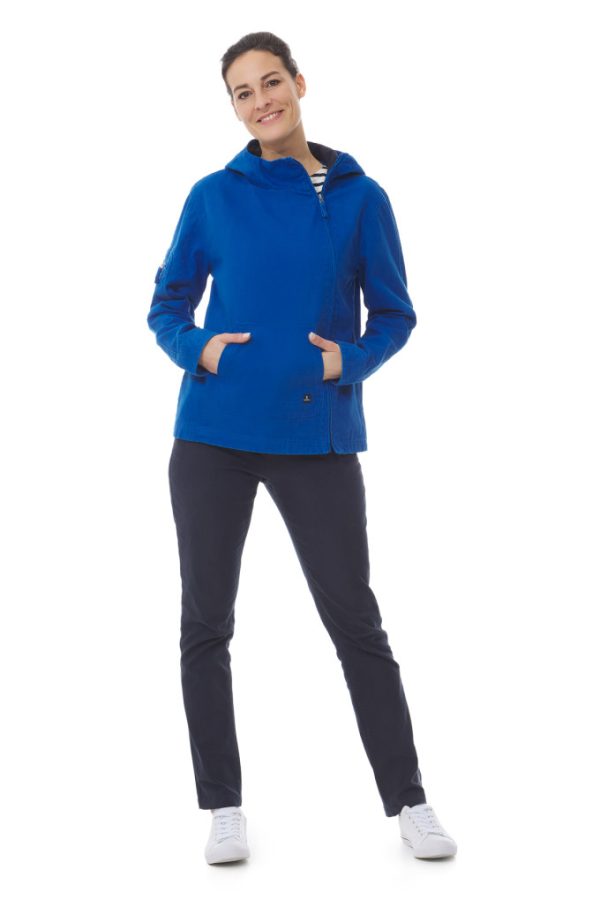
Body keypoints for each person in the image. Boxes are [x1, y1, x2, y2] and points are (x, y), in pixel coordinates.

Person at [147, 31, 457, 865]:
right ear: (234, 108)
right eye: (242, 93)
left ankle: (410, 800)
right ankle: (223, 806)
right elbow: (167, 303)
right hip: (211, 436)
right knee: (205, 623)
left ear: (299, 83)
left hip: (316, 436)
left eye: (270, 82)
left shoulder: (361, 197)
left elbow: (394, 313)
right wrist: (200, 348)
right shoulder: (213, 195)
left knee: (355, 620)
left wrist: (347, 361)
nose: (261, 102)